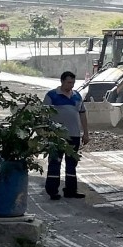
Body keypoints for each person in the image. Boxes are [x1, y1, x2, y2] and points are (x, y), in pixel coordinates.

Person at [43, 71, 89, 199]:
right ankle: (52, 191)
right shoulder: (52, 95)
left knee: (71, 164)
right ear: (62, 81)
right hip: (56, 136)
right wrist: (46, 132)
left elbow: (83, 114)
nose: (71, 85)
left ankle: (71, 190)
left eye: (73, 82)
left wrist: (85, 133)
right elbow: (43, 114)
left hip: (73, 136)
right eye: (69, 82)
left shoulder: (77, 96)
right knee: (54, 162)